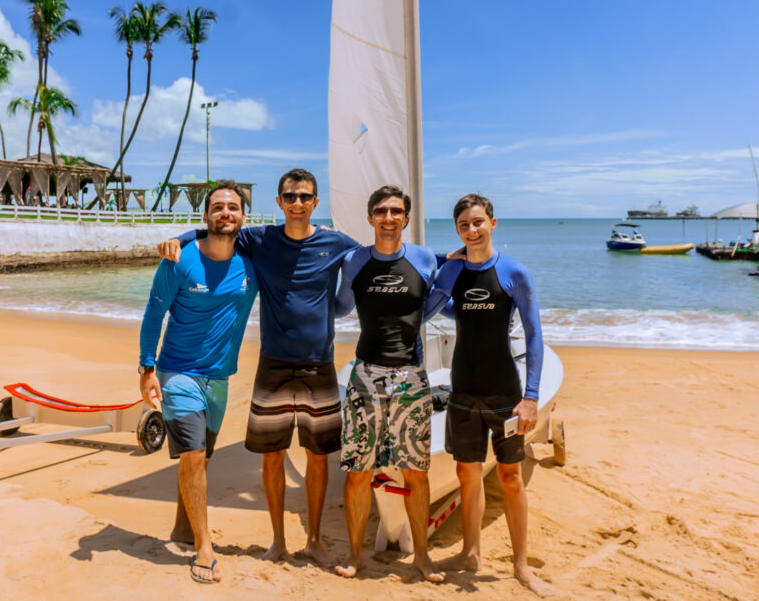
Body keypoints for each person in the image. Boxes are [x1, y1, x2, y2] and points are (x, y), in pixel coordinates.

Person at [157, 168, 359, 567]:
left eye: (305, 197)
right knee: (273, 456)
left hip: (320, 364)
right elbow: (217, 229)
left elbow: (375, 257)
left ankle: (314, 540)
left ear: (315, 202)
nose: (297, 203)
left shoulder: (335, 241)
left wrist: (442, 260)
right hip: (274, 363)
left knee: (318, 457)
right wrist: (179, 239)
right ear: (279, 202)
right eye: (290, 196)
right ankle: (278, 541)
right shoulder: (260, 238)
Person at [432, 194, 555, 597]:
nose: (472, 230)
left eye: (478, 222)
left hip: (505, 392)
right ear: (457, 230)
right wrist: (443, 262)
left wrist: (531, 397)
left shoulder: (514, 272)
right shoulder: (453, 271)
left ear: (493, 223)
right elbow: (429, 305)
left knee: (510, 477)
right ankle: (470, 553)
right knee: (467, 475)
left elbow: (534, 336)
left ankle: (521, 565)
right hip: (463, 391)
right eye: (464, 225)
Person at [138, 181, 258, 584]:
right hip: (178, 372)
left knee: (201, 458)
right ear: (205, 215)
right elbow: (154, 314)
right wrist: (147, 369)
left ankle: (181, 527)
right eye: (217, 207)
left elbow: (291, 243)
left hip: (219, 377)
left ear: (243, 216)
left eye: (233, 207)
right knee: (192, 454)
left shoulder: (251, 264)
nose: (226, 212)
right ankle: (204, 547)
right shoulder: (178, 261)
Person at [332, 185, 446, 583]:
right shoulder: (354, 260)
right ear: (370, 218)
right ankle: (354, 553)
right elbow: (340, 306)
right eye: (381, 211)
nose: (389, 217)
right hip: (365, 375)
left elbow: (443, 293)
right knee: (358, 472)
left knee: (416, 472)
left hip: (411, 377)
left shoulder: (424, 258)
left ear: (406, 218)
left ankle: (422, 557)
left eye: (396, 211)